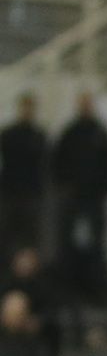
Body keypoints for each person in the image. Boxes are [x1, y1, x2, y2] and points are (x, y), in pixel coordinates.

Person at [50, 91, 107, 298]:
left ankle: (94, 287)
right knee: (66, 242)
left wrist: (103, 190)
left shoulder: (101, 132)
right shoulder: (70, 132)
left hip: (94, 197)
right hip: (72, 197)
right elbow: (57, 162)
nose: (85, 107)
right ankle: (67, 286)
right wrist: (64, 187)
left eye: (88, 104)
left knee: (96, 243)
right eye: (82, 104)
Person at [0, 93, 48, 256]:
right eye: (24, 107)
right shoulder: (7, 135)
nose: (27, 111)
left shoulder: (39, 136)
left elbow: (44, 165)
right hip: (10, 192)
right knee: (6, 235)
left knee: (30, 238)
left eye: (30, 107)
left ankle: (29, 270)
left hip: (31, 194)